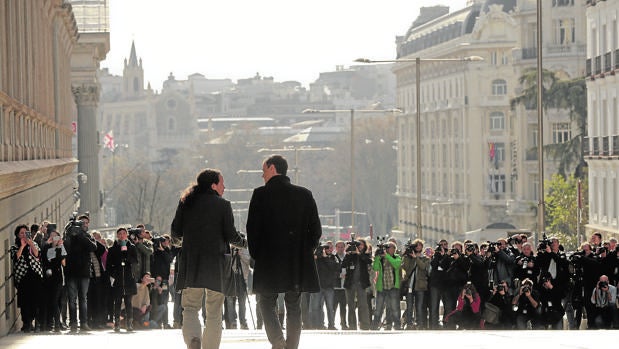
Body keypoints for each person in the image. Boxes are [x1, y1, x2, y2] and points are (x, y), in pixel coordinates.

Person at [246, 155, 321, 349]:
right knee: (294, 305)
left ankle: (278, 342)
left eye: (263, 170)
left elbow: (252, 230)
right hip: (296, 260)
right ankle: (292, 346)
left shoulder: (260, 195)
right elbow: (316, 230)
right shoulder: (304, 194)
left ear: (272, 168)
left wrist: (257, 254)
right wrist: (305, 250)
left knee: (266, 301)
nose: (262, 175)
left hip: (269, 259)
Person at [171, 168, 247, 349]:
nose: (224, 186)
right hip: (216, 264)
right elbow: (231, 235)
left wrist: (187, 242)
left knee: (190, 308)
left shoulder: (185, 203)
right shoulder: (223, 205)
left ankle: (193, 340)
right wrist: (243, 242)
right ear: (213, 185)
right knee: (214, 312)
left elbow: (175, 233)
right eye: (222, 183)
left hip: (191, 263)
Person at [63, 214, 97, 332]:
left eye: (85, 223)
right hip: (71, 272)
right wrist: (69, 232)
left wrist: (81, 235)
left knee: (83, 298)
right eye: (81, 223)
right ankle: (73, 323)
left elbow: (93, 247)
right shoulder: (69, 236)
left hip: (84, 272)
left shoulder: (87, 236)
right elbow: (65, 247)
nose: (83, 225)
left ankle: (83, 323)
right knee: (72, 299)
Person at [10, 224, 43, 333]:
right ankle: (27, 323)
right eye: (21, 233)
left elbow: (37, 254)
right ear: (17, 235)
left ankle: (37, 322)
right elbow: (16, 257)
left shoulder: (34, 244)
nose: (24, 235)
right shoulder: (14, 247)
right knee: (25, 301)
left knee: (36, 299)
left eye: (25, 232)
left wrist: (30, 244)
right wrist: (23, 246)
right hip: (23, 276)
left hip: (35, 275)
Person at [106, 227, 138, 332]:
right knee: (118, 302)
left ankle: (129, 323)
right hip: (118, 279)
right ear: (117, 236)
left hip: (129, 278)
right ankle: (117, 324)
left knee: (128, 302)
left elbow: (134, 261)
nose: (122, 235)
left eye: (124, 233)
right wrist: (113, 275)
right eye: (120, 234)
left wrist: (126, 251)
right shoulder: (112, 248)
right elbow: (109, 265)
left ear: (127, 235)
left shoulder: (132, 247)